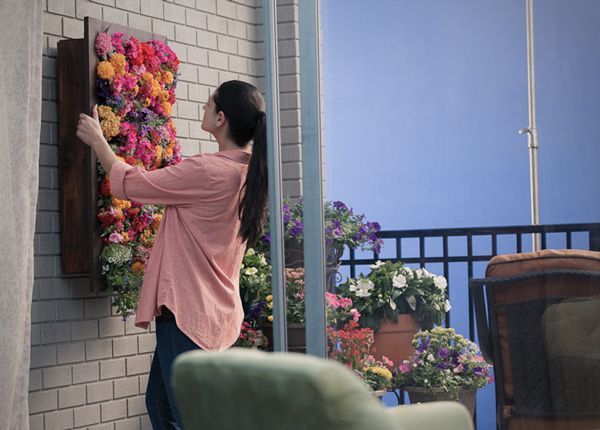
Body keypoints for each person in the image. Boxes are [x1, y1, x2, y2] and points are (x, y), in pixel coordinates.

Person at [76, 80, 268, 429]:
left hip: (187, 312)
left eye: (209, 104)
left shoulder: (210, 171)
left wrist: (99, 142)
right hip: (209, 311)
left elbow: (135, 184)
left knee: (181, 416)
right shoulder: (248, 172)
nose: (204, 108)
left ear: (221, 118)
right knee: (162, 407)